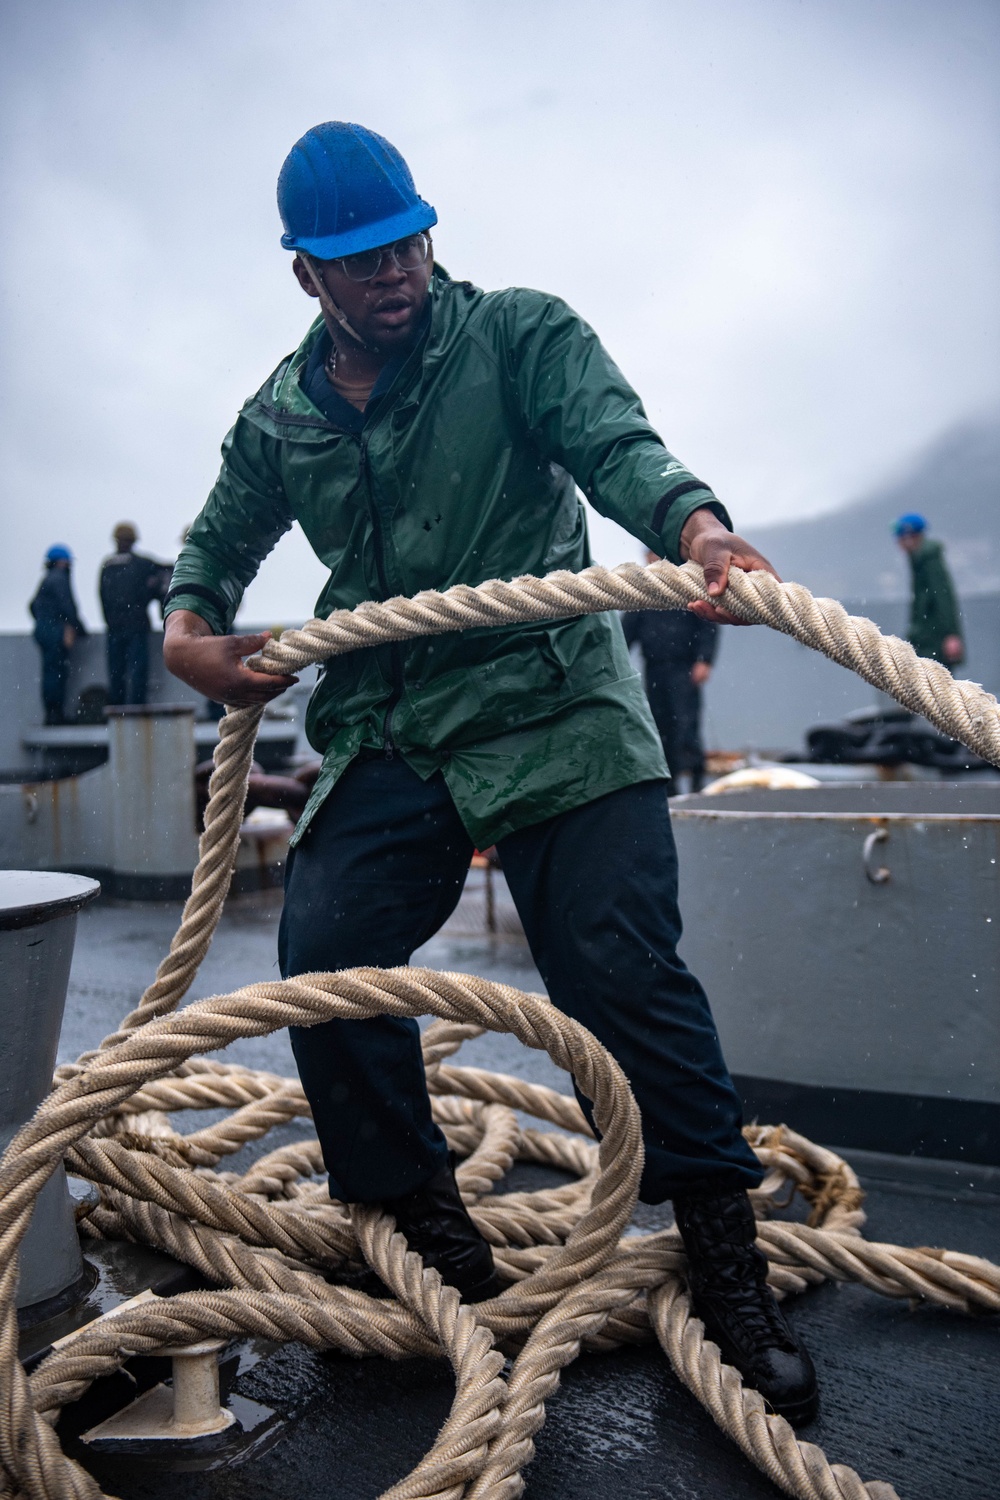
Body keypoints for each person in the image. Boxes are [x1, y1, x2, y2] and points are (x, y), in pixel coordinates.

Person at [163, 122, 817, 1424]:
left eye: (407, 243)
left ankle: (720, 1255)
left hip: (552, 704)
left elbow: (617, 444)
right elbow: (213, 550)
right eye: (360, 260)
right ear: (308, 278)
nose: (395, 272)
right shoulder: (283, 415)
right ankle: (423, 1228)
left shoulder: (519, 335)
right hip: (396, 717)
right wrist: (188, 636)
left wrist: (695, 527)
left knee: (616, 964)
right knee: (327, 955)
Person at [623, 549, 719, 794]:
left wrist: (704, 660)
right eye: (650, 554)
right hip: (654, 668)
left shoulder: (686, 583)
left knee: (685, 723)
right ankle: (671, 782)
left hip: (684, 668)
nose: (653, 559)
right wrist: (617, 663)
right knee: (660, 724)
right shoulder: (642, 591)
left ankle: (697, 779)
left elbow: (706, 622)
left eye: (656, 553)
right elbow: (627, 633)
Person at [99, 523, 171, 705]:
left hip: (114, 627)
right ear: (133, 541)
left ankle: (117, 707)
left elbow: (102, 597)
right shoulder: (143, 564)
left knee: (116, 670)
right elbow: (167, 575)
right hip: (137, 626)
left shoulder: (107, 566)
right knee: (138, 668)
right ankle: (136, 706)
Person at [894, 513, 964, 669]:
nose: (898, 542)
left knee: (937, 684)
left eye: (900, 537)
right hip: (926, 638)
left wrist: (951, 635)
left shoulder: (929, 558)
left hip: (934, 640)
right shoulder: (919, 558)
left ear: (910, 537)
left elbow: (943, 596)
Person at [29, 545, 88, 724]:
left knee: (50, 671)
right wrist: (79, 628)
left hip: (44, 629)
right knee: (56, 671)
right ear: (63, 562)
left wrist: (43, 620)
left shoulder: (47, 579)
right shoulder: (59, 579)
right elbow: (67, 606)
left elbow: (32, 606)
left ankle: (51, 713)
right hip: (54, 631)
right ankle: (55, 715)